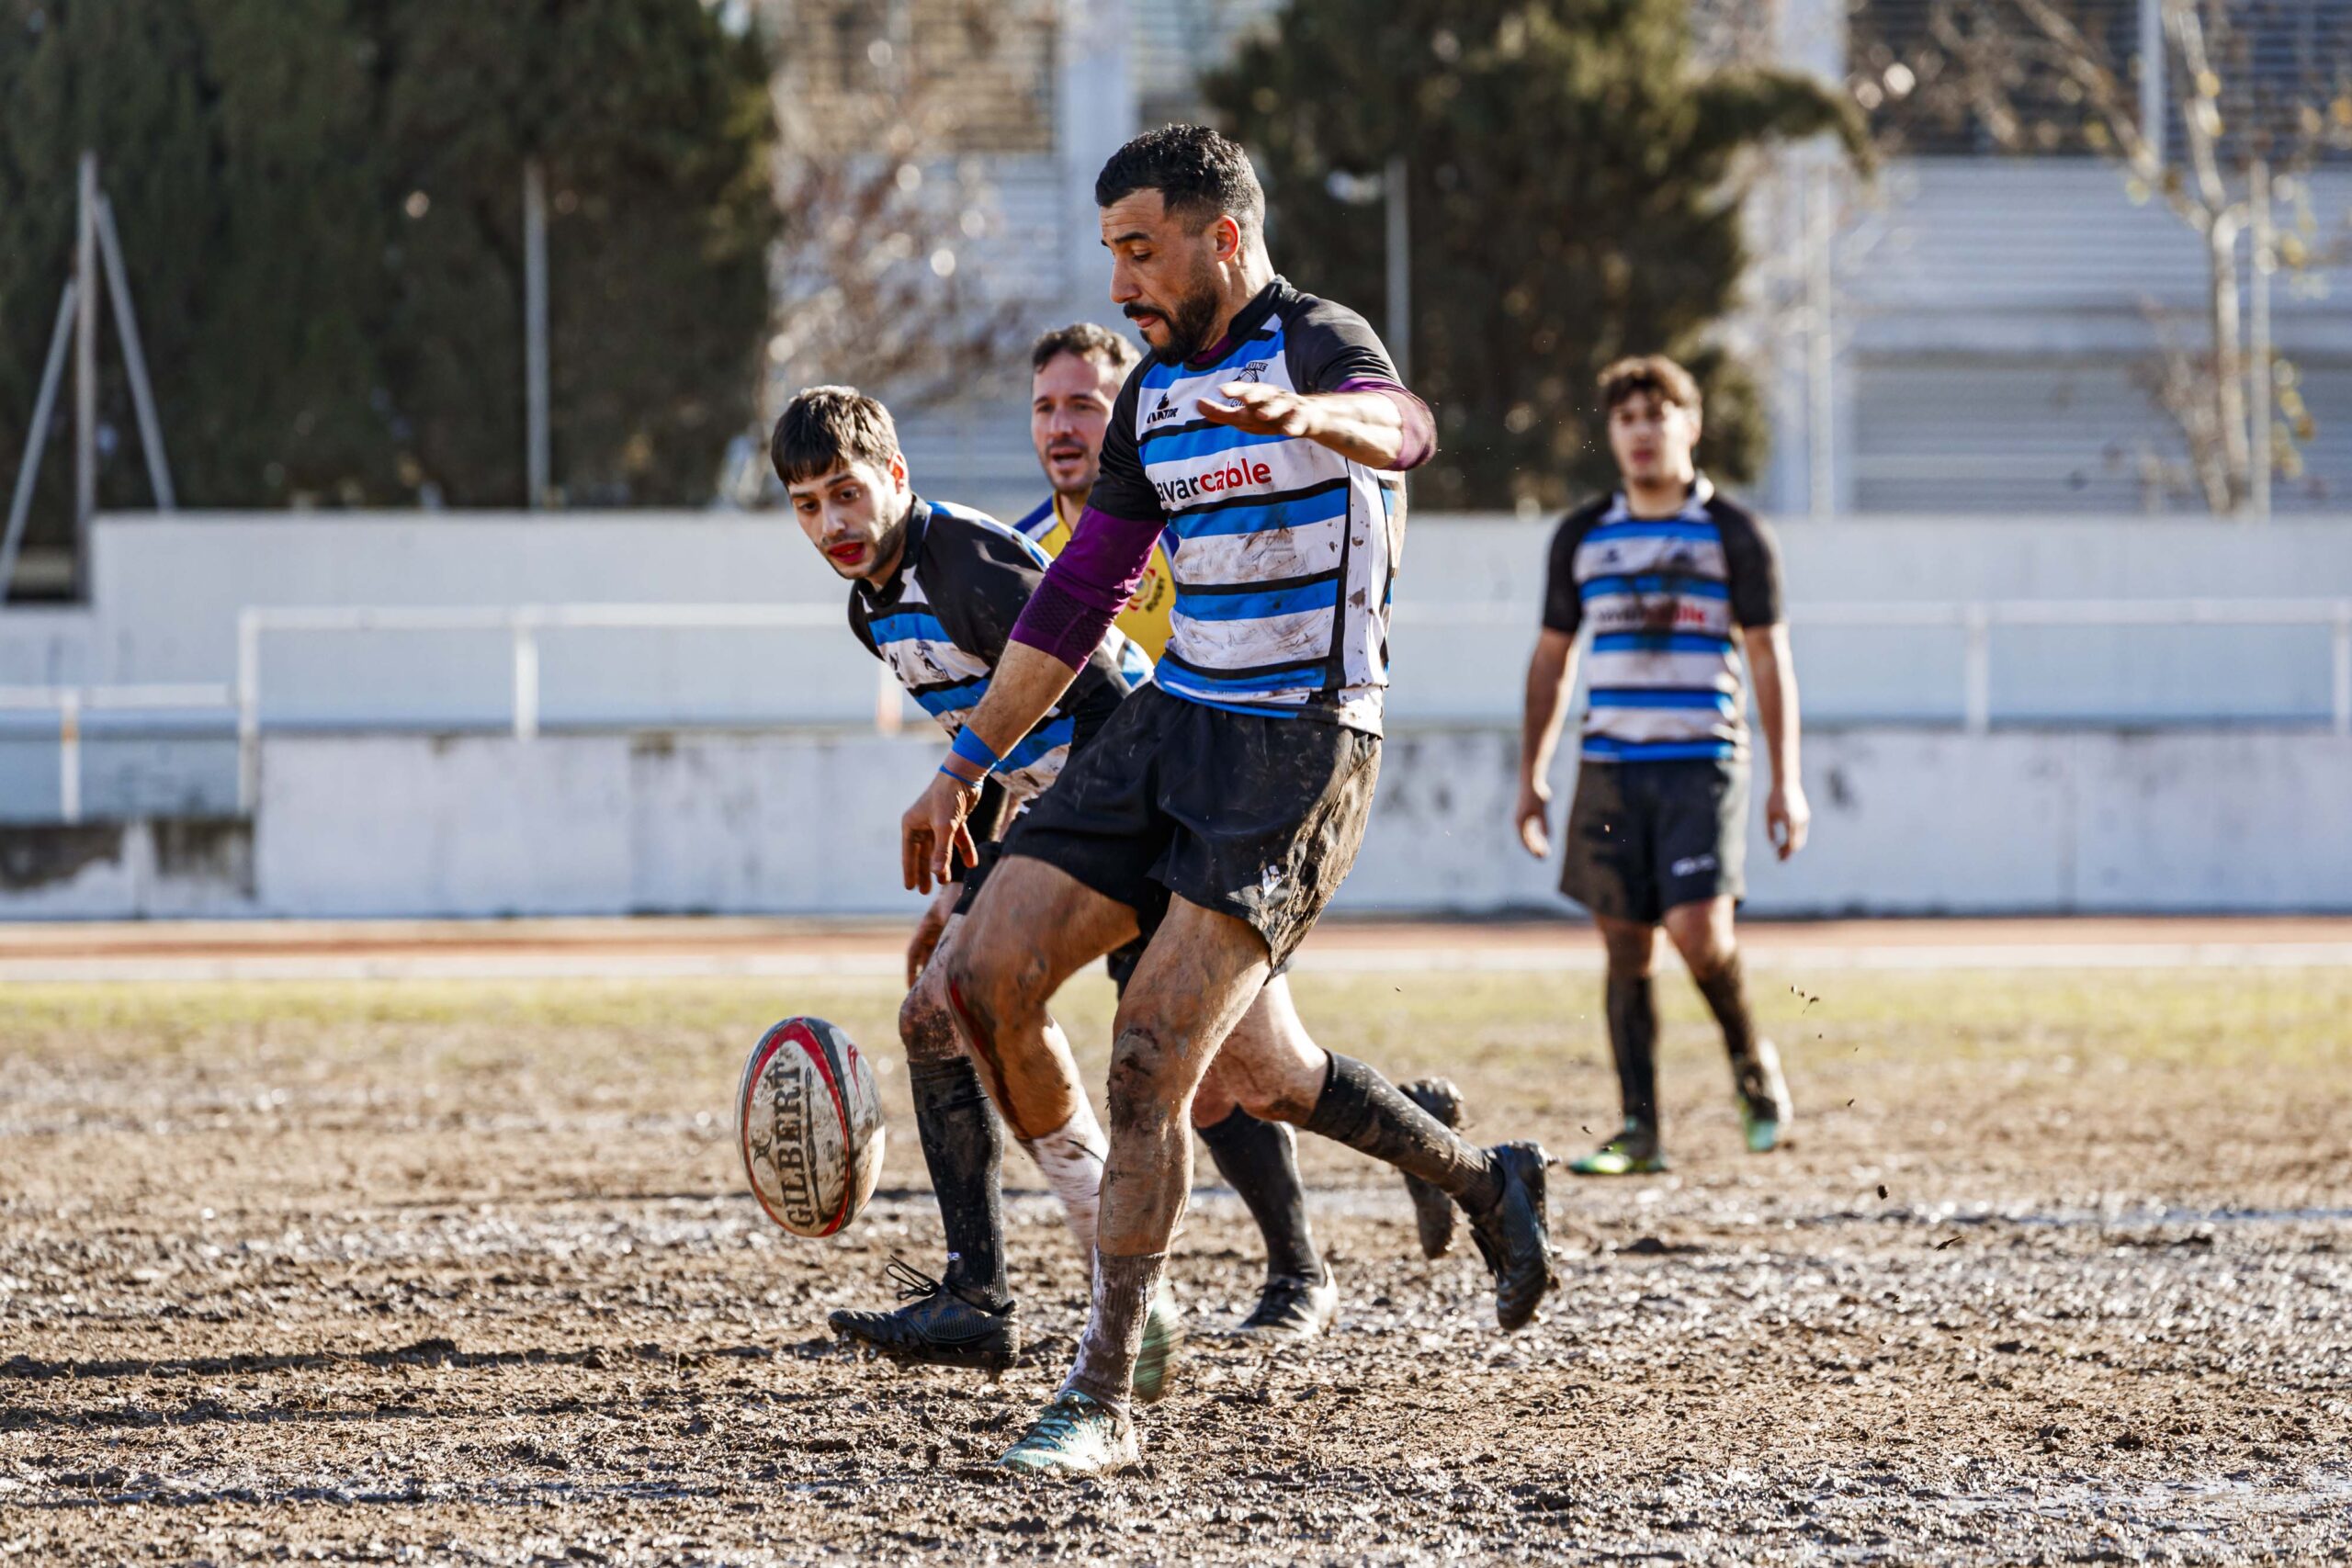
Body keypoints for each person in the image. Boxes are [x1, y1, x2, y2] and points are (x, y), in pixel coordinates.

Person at [898, 126, 1556, 1475]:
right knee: (983, 976)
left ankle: (1105, 1388)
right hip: (1171, 727)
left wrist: (1315, 418)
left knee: (1154, 1056)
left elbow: (1405, 425)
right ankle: (1487, 1180)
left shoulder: (1315, 339)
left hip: (1299, 748)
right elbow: (1079, 592)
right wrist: (963, 764)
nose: (1122, 282)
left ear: (1224, 238)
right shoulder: (1148, 397)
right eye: (1112, 253)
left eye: (1143, 250)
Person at [1021, 320, 1469, 1315]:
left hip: (1223, 806)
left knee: (1220, 1071)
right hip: (1114, 828)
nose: (1064, 427)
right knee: (1244, 1069)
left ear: (1134, 414)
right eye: (1046, 407)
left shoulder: (1203, 518)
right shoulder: (1032, 558)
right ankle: (1423, 1141)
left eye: (1087, 404)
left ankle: (1302, 1271)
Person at [1515, 355, 1808, 1177]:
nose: (1641, 431)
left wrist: (1786, 780)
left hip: (1701, 764)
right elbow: (1552, 659)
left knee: (1698, 932)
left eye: (1657, 414)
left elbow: (1769, 658)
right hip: (1609, 767)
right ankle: (1640, 1129)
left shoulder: (1734, 533)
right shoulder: (1581, 536)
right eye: (1626, 418)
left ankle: (1753, 1068)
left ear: (1692, 425)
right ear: (1611, 433)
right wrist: (1531, 774)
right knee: (1624, 945)